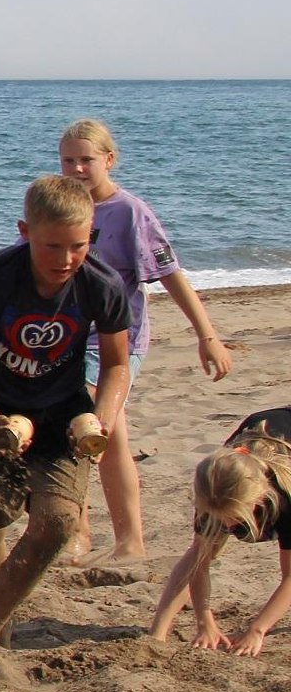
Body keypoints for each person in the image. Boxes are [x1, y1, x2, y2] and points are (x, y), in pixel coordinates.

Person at [0, 176, 132, 680]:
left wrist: (104, 421)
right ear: (25, 231)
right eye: (53, 245)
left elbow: (117, 365)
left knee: (57, 525)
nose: (68, 258)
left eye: (80, 244)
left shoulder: (102, 284)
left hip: (61, 416)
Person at [57, 119, 235, 566]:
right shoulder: (62, 207)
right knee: (85, 429)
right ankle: (80, 530)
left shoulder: (130, 212)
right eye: (68, 160)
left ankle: (128, 540)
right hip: (67, 337)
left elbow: (170, 274)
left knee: (99, 425)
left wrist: (207, 335)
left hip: (118, 341)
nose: (77, 168)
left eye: (86, 160)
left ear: (108, 160)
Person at [146, 411, 291, 653]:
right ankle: (157, 632)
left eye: (235, 519)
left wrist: (257, 630)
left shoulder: (285, 498)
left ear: (259, 497)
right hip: (248, 458)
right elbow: (199, 562)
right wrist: (205, 622)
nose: (230, 527)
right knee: (201, 550)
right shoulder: (212, 486)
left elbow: (289, 577)